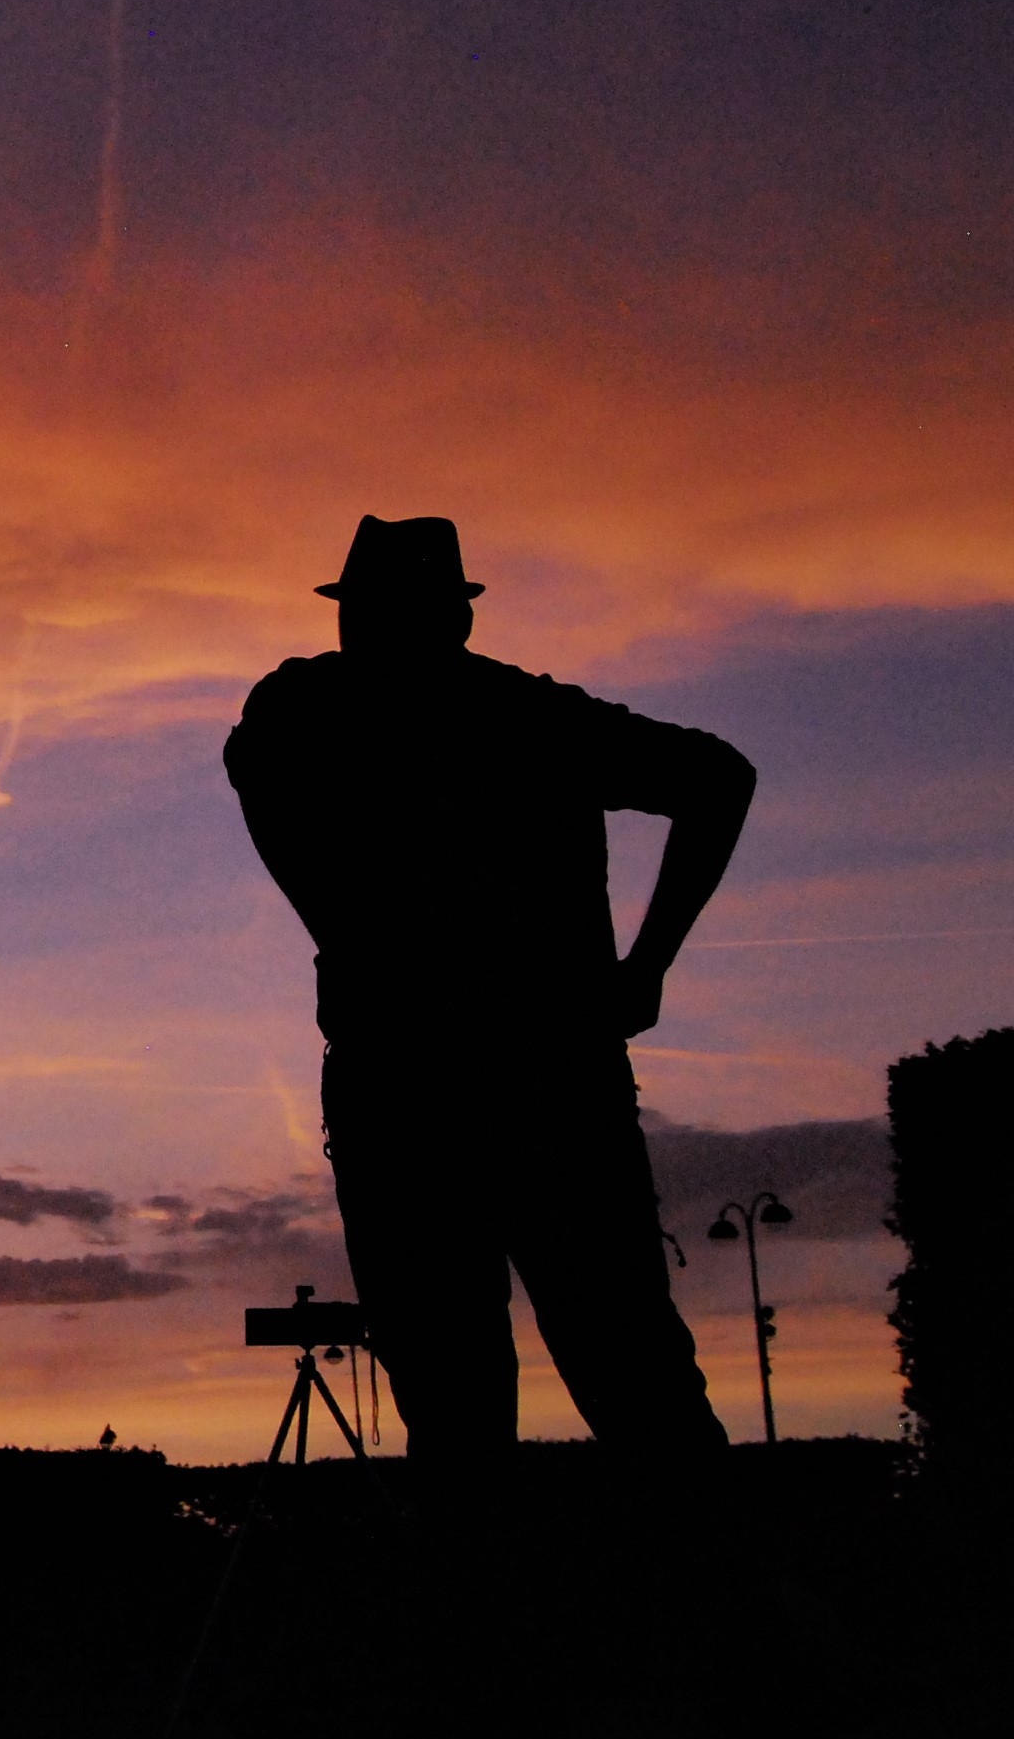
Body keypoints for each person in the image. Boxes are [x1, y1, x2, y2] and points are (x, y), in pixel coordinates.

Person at [223, 516, 751, 1458]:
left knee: (459, 1399)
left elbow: (255, 773)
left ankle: (491, 1601)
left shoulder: (308, 709)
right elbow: (718, 778)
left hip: (406, 1092)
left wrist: (337, 918)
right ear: (458, 620)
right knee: (629, 1374)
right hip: (548, 1081)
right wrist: (647, 966)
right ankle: (721, 1597)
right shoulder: (532, 718)